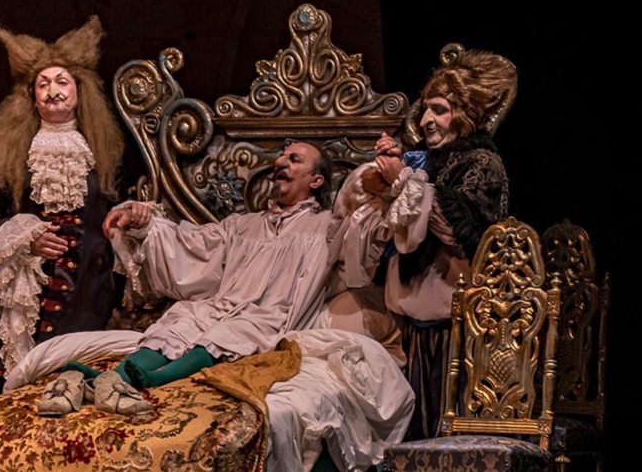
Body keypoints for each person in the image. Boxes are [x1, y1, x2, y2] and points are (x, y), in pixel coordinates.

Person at [40, 140, 335, 415]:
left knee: (233, 331)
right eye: (281, 156)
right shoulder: (242, 225)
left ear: (316, 180)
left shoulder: (328, 228)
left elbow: (360, 237)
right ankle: (112, 377)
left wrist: (364, 189)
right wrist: (143, 224)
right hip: (223, 305)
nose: (281, 162)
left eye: (294, 159)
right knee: (184, 317)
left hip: (269, 316)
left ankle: (154, 380)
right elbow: (192, 244)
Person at [332, 47, 516, 439]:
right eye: (426, 110)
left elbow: (460, 231)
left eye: (439, 110)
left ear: (465, 114)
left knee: (446, 426)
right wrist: (385, 181)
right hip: (417, 325)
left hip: (456, 324)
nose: (426, 120)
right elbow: (399, 220)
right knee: (416, 426)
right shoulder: (428, 161)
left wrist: (403, 181)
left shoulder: (482, 162)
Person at [0, 16, 124, 378]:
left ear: (79, 91)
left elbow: (118, 209)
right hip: (32, 297)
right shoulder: (14, 157)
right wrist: (24, 239)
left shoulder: (102, 153)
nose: (53, 90)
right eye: (43, 84)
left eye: (62, 81)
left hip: (89, 292)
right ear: (32, 98)